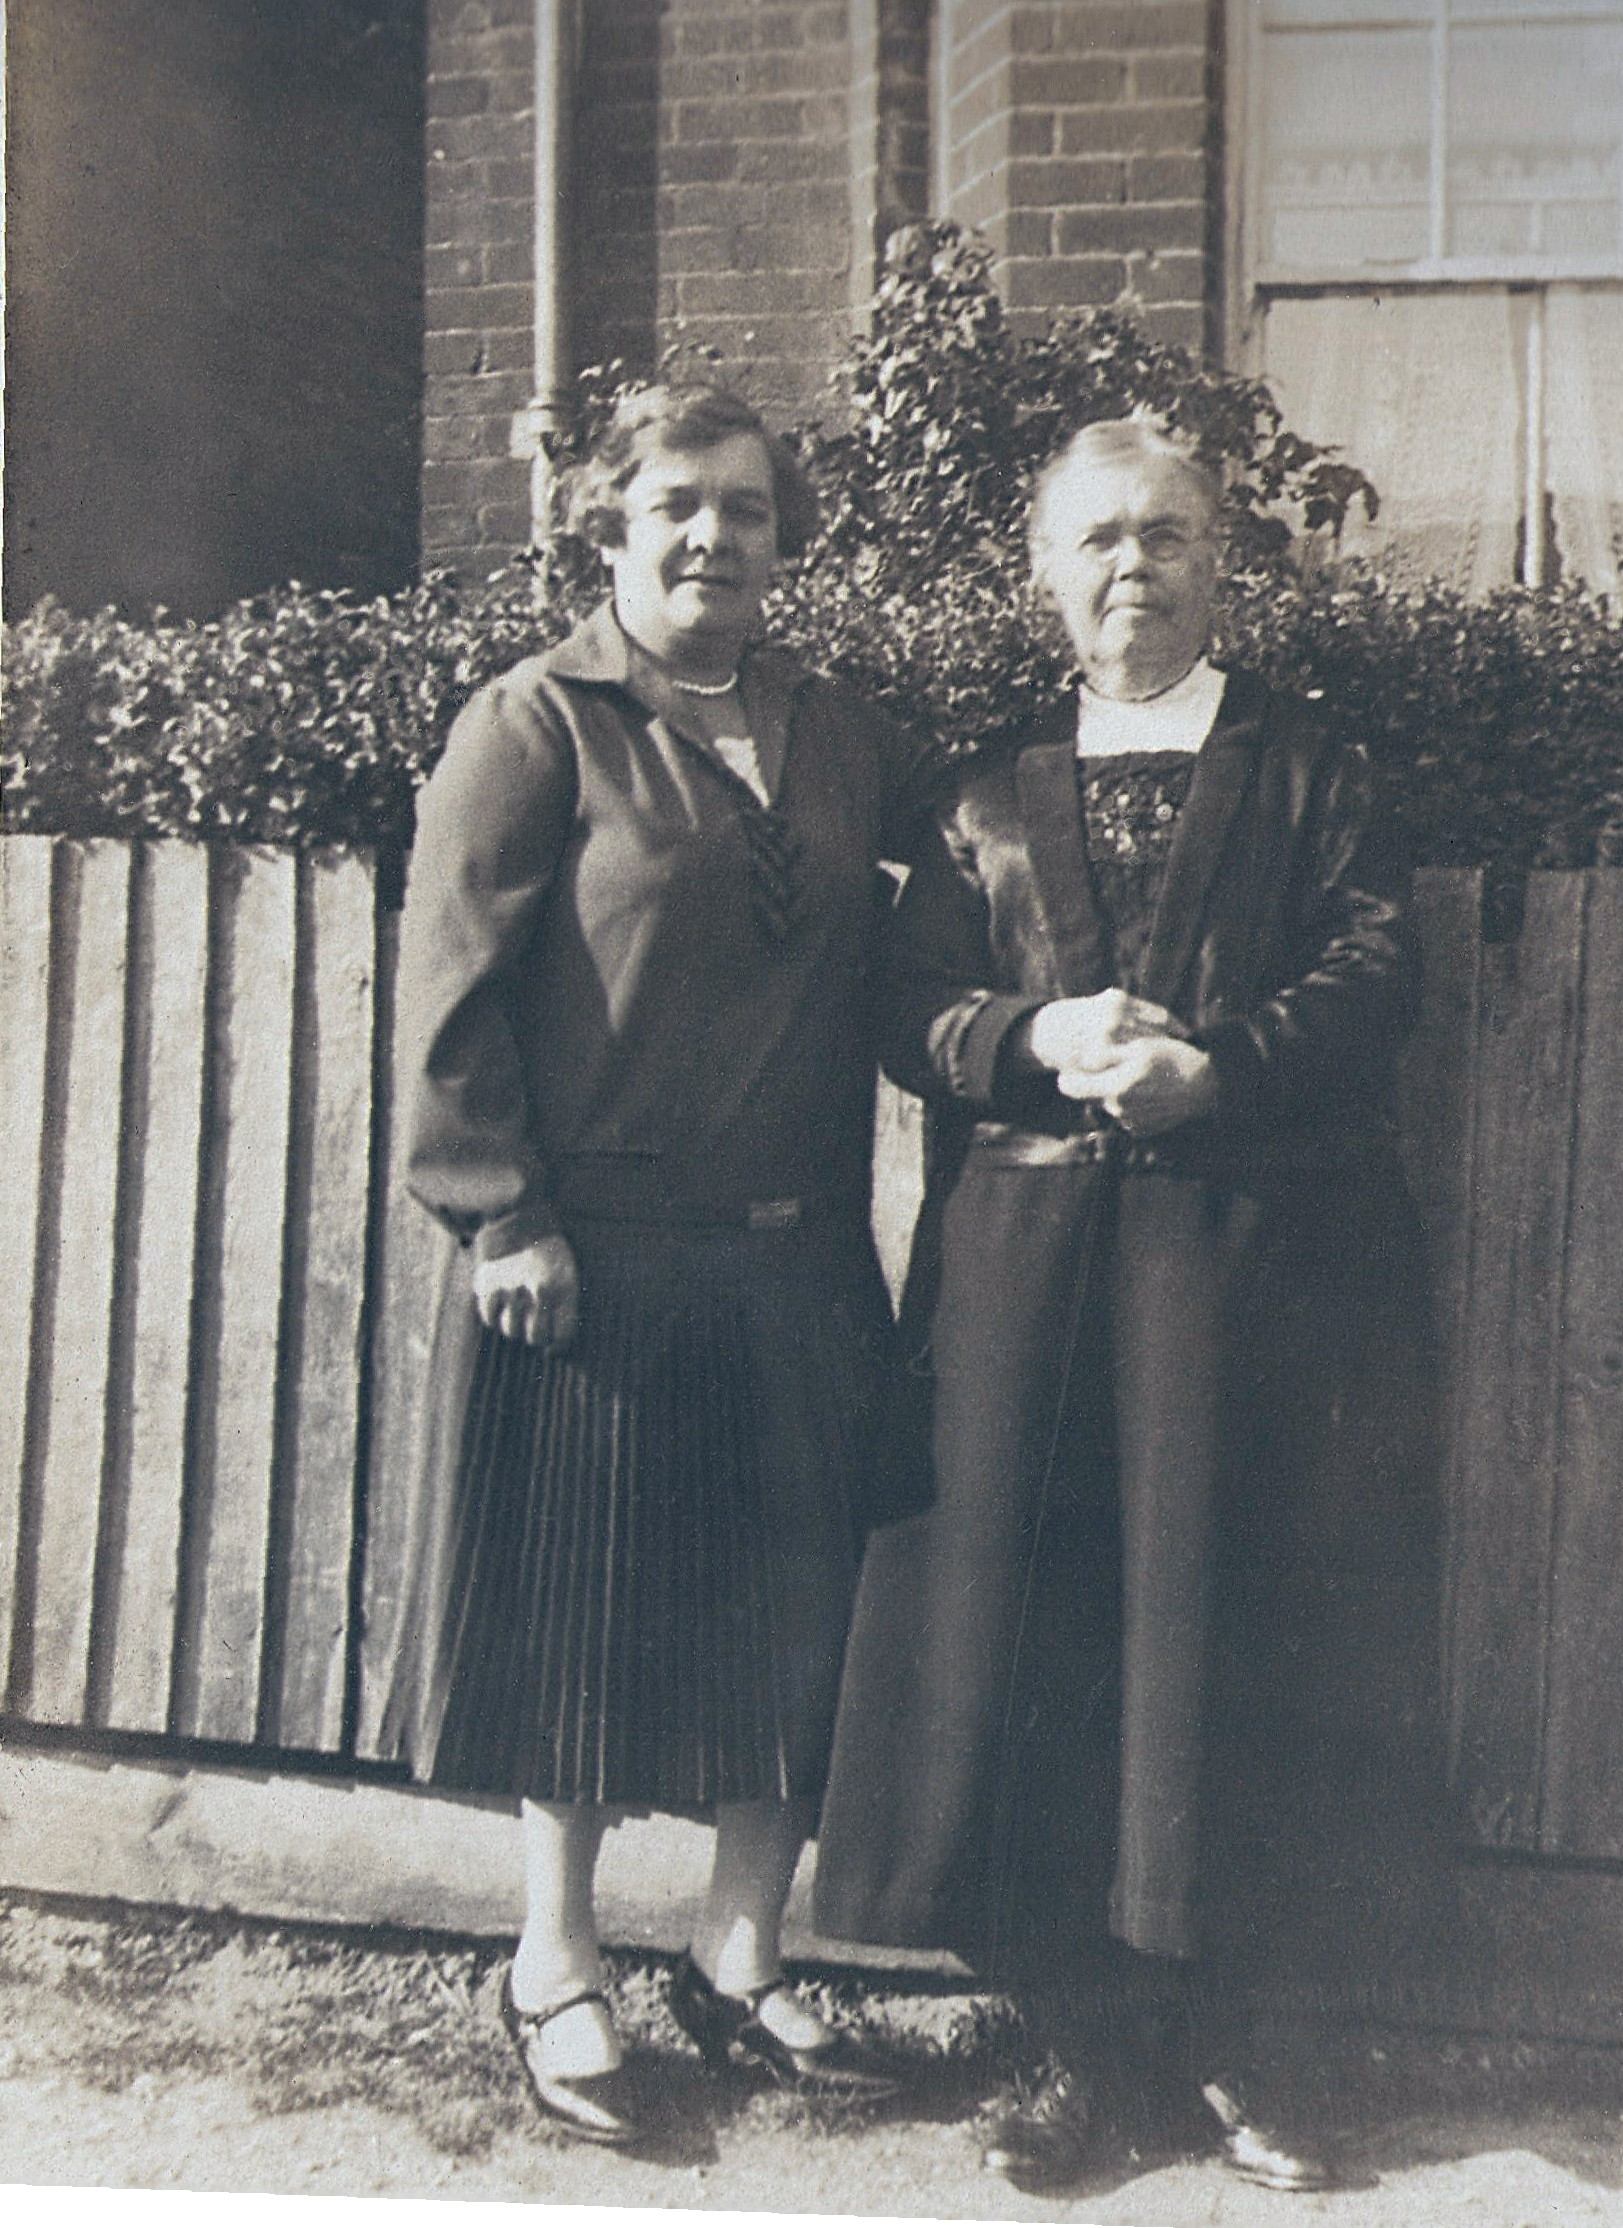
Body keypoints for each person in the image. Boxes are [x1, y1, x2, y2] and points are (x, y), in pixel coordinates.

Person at [813, 418, 1427, 2192]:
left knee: (1238, 1643)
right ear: (1042, 577)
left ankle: (1246, 2051)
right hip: (1028, 1294)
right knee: (1051, 1645)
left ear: (1225, 562)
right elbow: (907, 1004)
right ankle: (1089, 2051)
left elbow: (1377, 978)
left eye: (1166, 534)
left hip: (1255, 1279)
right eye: (1095, 540)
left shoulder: (1323, 776)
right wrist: (1027, 1041)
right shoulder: (980, 796)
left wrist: (1215, 1072)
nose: (1131, 568)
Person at [378, 382, 927, 2145]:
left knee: (791, 1619)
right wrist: (502, 1211)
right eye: (676, 505)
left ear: (787, 537)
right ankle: (558, 1966)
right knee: (587, 1632)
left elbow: (894, 960)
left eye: (746, 510)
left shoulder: (839, 730)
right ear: (608, 529)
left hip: (800, 1254)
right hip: (596, 1264)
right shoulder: (536, 722)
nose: (712, 538)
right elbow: (451, 995)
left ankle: (743, 1959)